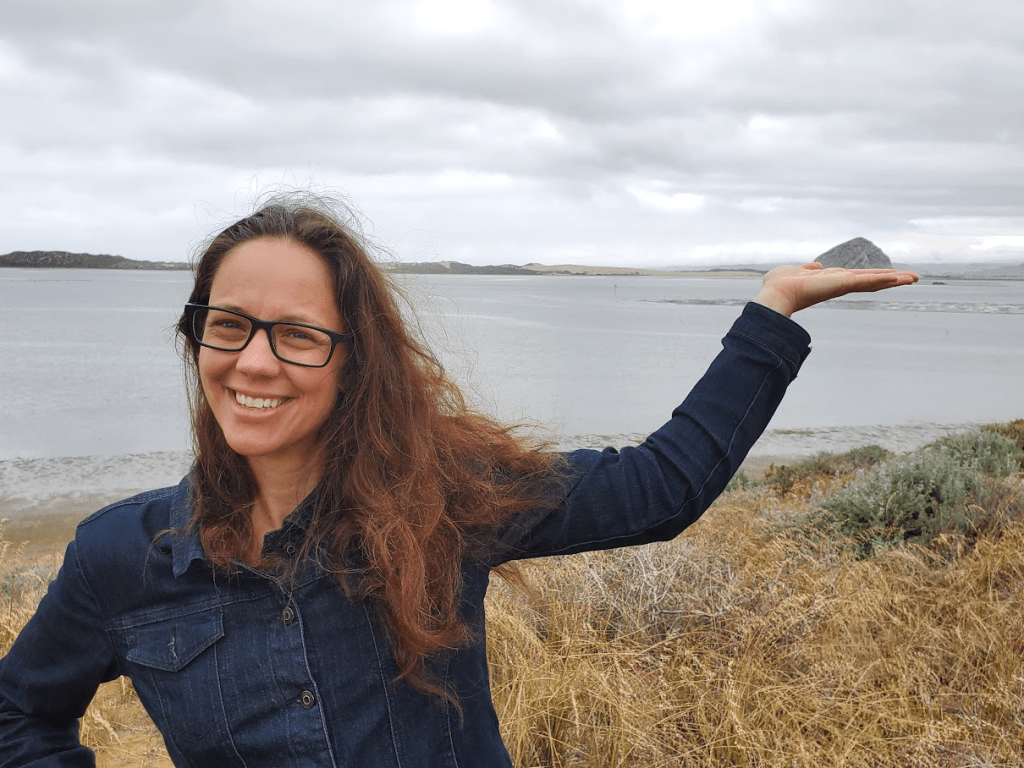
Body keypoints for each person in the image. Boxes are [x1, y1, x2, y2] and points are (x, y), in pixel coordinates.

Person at [0, 197, 918, 766]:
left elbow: (660, 488)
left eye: (299, 334)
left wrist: (774, 310)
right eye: (229, 324)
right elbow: (19, 714)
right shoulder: (122, 557)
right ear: (196, 334)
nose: (256, 361)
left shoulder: (441, 500)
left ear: (354, 361)